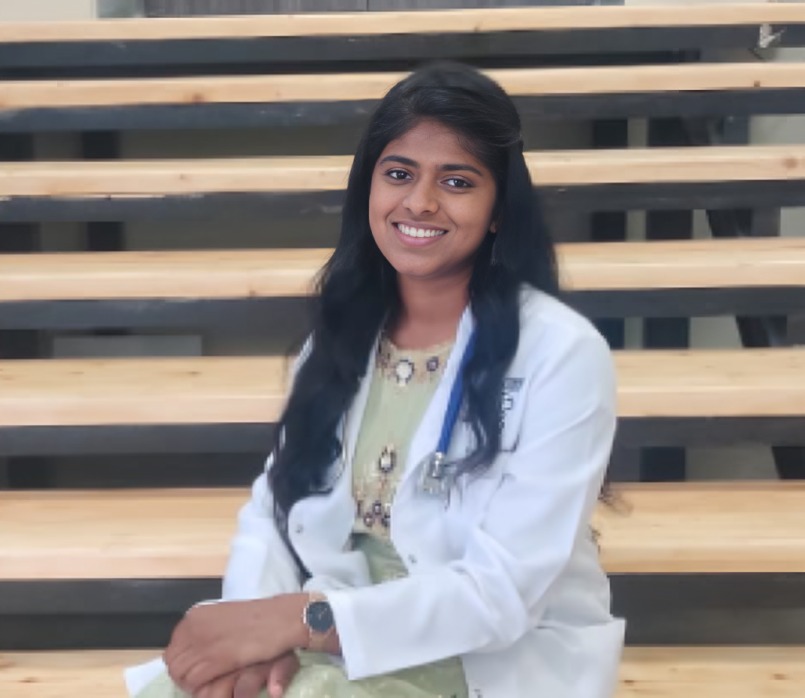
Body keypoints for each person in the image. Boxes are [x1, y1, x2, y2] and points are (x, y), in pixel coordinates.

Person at [125, 61, 624, 698]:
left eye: (457, 181)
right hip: (336, 635)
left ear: (500, 209)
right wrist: (252, 643)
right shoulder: (339, 337)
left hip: (482, 657)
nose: (420, 202)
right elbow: (273, 510)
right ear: (369, 188)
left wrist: (300, 622)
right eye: (398, 174)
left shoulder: (561, 354)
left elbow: (502, 595)